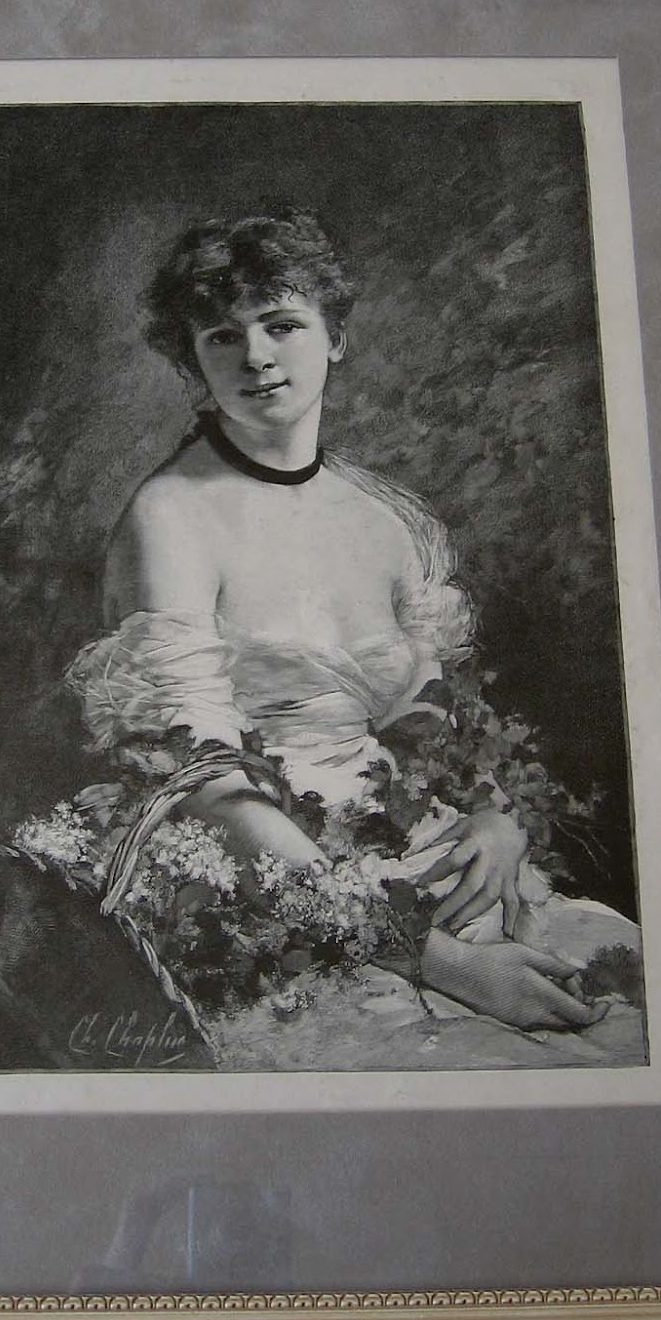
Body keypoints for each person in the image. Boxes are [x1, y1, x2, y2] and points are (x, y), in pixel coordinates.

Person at [66, 209, 601, 1033]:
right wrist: (442, 962)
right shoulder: (169, 518)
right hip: (264, 880)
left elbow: (426, 714)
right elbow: (201, 783)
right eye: (222, 336)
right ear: (193, 360)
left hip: (411, 846)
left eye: (281, 324)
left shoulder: (385, 517)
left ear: (335, 337)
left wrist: (495, 813)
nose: (255, 356)